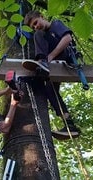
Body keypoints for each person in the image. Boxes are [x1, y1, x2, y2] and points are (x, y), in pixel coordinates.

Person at [24, 10, 80, 140]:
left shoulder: (55, 24)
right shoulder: (45, 37)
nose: (35, 26)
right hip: (55, 62)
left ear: (42, 17)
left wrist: (48, 58)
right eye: (33, 26)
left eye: (36, 22)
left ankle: (41, 62)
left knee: (38, 34)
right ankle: (69, 124)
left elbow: (67, 38)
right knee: (50, 90)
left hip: (66, 56)